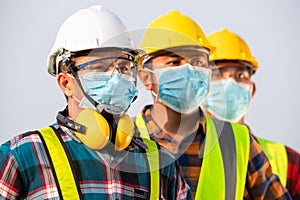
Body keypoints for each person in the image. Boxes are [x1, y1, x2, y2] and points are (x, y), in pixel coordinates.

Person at [0, 5, 191, 199]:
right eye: (99, 67)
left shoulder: (161, 164)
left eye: (124, 67)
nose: (116, 77)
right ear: (66, 83)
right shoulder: (22, 157)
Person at [136, 10, 292, 199]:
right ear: (146, 77)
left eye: (197, 61)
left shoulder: (238, 142)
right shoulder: (126, 139)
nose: (189, 70)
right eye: (174, 62)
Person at [203, 27, 300, 199]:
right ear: (201, 88)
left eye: (240, 75)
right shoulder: (184, 154)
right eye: (218, 75)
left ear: (252, 90)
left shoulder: (289, 160)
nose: (230, 84)